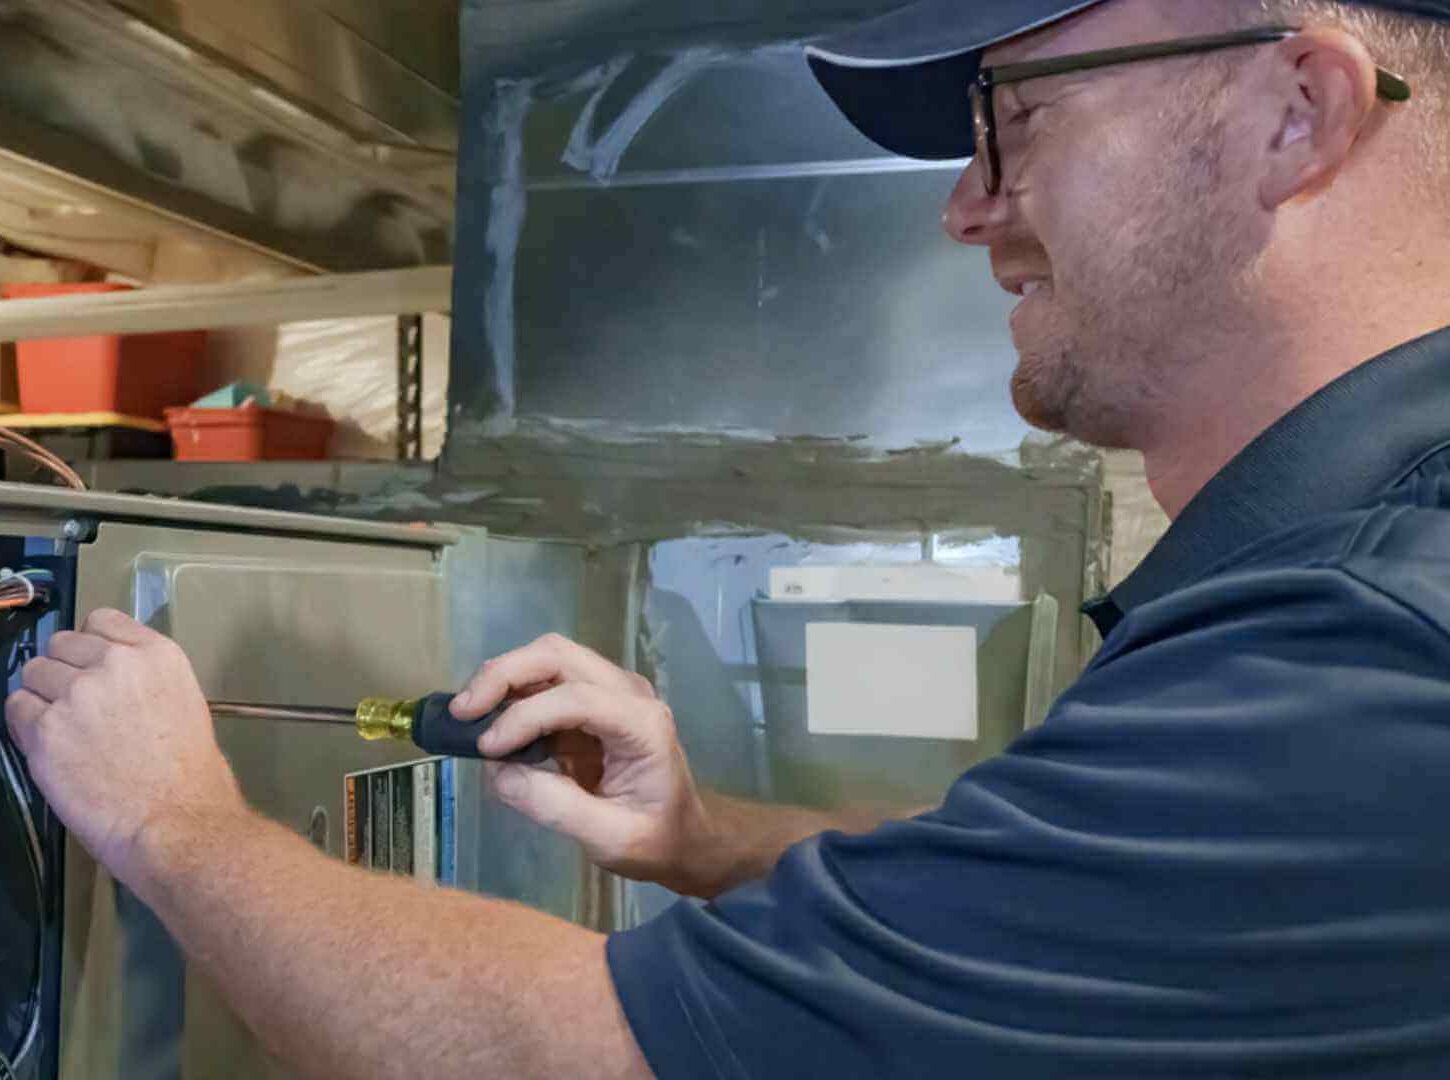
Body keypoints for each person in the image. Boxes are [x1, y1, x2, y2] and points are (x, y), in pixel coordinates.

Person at [10, 0, 1450, 1075]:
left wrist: (167, 822)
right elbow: (1077, 913)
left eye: (1011, 119)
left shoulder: (1367, 653)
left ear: (1298, 113)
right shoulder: (1341, 601)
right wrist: (703, 841)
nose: (964, 208)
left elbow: (559, 1058)